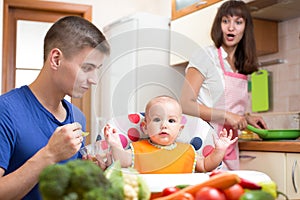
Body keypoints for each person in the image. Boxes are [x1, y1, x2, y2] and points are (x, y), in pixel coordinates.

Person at [0, 16, 110, 200]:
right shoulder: (5, 111)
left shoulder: (77, 117)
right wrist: (49, 155)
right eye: (87, 68)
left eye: (97, 69)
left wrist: (88, 172)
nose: (94, 80)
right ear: (56, 59)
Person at [180, 0, 268, 170]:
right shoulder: (206, 56)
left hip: (228, 144)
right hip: (204, 141)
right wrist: (228, 116)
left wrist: (245, 118)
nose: (231, 27)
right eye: (225, 20)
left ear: (245, 28)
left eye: (238, 22)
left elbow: (227, 104)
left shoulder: (241, 65)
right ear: (219, 25)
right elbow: (185, 104)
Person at [104, 96, 237, 174]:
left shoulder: (188, 151)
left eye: (171, 121)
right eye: (157, 120)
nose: (164, 125)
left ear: (180, 129)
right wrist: (115, 144)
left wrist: (219, 150)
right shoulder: (137, 149)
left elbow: (207, 165)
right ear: (145, 127)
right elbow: (121, 161)